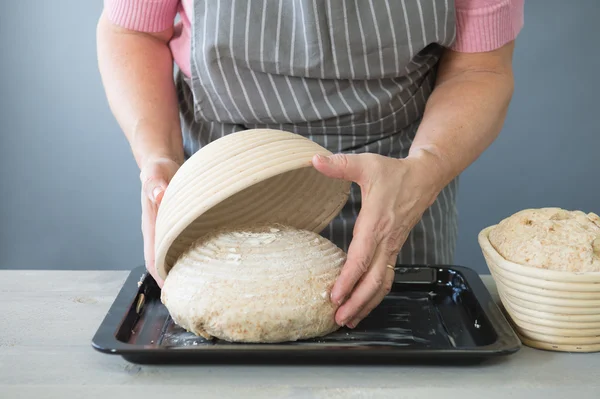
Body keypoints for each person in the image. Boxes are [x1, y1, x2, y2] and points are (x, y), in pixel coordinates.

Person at [97, 0, 524, 329]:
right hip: (223, 179)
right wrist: (158, 157)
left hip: (393, 180)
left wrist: (425, 168)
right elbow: (133, 32)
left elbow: (480, 68)